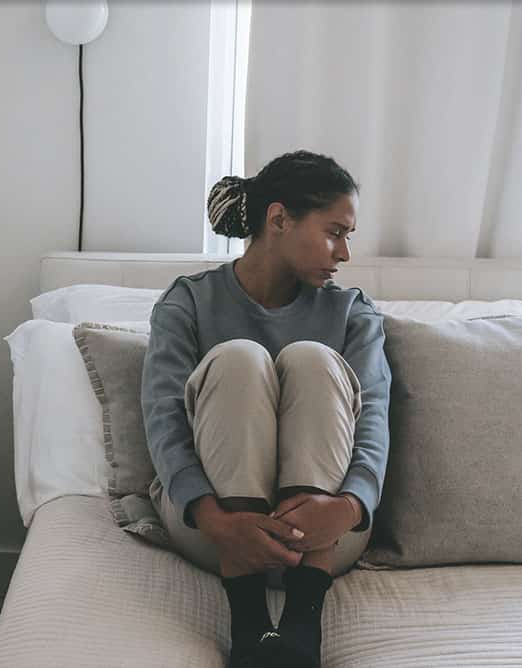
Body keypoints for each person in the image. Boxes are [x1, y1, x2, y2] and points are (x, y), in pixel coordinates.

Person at [140, 150, 391, 668]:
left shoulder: (352, 312)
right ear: (278, 219)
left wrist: (345, 508)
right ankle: (249, 623)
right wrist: (214, 519)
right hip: (210, 528)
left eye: (348, 237)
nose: (343, 253)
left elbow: (373, 422)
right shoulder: (187, 303)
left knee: (310, 359)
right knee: (238, 359)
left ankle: (302, 624)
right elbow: (163, 421)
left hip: (330, 533)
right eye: (334, 231)